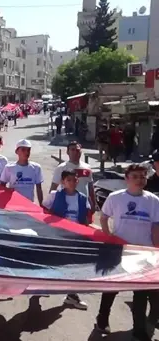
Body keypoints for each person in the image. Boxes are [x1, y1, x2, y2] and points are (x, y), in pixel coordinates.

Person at [95, 164, 159, 340]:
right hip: (120, 251)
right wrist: (109, 237)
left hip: (144, 253)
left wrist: (156, 250)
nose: (139, 180)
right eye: (135, 176)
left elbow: (156, 227)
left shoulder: (153, 200)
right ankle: (102, 319)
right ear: (127, 178)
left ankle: (139, 329)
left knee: (140, 292)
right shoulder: (116, 198)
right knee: (112, 288)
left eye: (143, 176)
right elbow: (104, 217)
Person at [42, 170, 91, 310]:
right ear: (63, 182)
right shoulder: (54, 195)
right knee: (52, 263)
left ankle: (72, 296)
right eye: (68, 180)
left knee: (73, 267)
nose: (72, 182)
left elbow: (85, 219)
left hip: (75, 238)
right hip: (57, 236)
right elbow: (44, 211)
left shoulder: (82, 198)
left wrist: (87, 235)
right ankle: (39, 288)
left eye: (75, 180)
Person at [50, 141, 96, 212]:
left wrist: (93, 203)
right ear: (67, 152)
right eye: (72, 150)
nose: (75, 152)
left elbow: (90, 187)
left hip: (83, 204)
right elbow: (53, 187)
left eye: (77, 150)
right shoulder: (61, 168)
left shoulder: (87, 168)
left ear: (81, 152)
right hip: (66, 205)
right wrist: (51, 205)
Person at [0, 139, 44, 205]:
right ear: (17, 151)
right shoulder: (9, 167)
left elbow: (39, 188)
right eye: (23, 150)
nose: (26, 152)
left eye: (28, 150)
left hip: (29, 204)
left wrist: (41, 205)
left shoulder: (36, 168)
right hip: (13, 204)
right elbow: (2, 185)